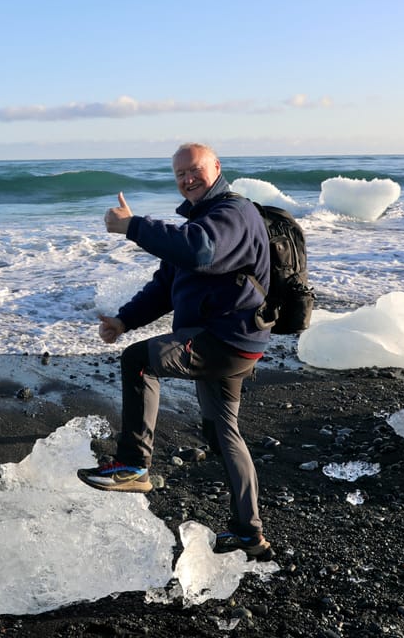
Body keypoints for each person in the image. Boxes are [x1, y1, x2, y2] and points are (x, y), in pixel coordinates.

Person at [77, 142, 273, 560]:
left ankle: (133, 465)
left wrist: (133, 226)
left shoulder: (233, 213)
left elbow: (198, 250)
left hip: (224, 340)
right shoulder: (201, 220)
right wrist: (124, 321)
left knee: (139, 361)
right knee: (224, 433)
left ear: (216, 167)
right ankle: (249, 534)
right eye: (180, 174)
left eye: (194, 170)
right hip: (227, 340)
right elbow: (167, 284)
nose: (187, 179)